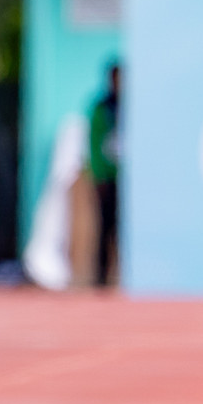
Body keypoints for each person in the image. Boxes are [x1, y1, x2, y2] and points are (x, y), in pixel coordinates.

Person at [88, 62, 121, 287]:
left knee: (124, 232)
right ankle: (100, 279)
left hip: (128, 181)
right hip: (107, 179)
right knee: (105, 229)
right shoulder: (102, 107)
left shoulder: (134, 104)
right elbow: (94, 145)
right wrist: (99, 175)